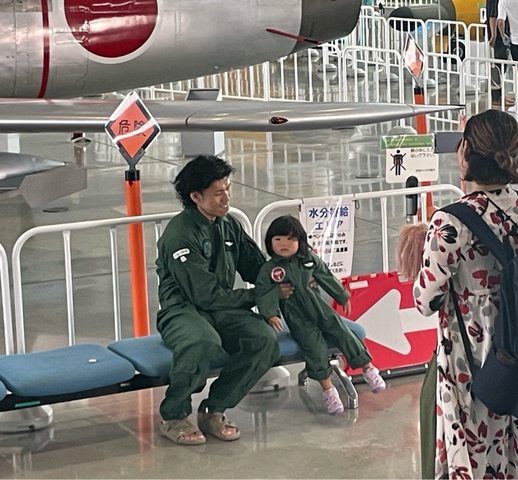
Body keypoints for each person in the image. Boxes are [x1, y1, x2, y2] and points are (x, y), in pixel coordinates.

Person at [413, 110, 518, 478]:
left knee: (476, 439)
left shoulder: (448, 222)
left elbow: (426, 300)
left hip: (471, 353)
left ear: (466, 153)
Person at [155, 155, 292, 445]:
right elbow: (204, 295)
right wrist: (258, 296)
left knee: (263, 339)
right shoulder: (180, 235)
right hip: (183, 310)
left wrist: (291, 269)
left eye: (228, 189)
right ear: (195, 197)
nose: (227, 198)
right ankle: (174, 415)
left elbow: (257, 268)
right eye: (218, 192)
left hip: (222, 307)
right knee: (201, 342)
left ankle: (214, 409)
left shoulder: (228, 225)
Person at [254, 215, 386, 415]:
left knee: (343, 331)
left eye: (290, 239)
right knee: (313, 347)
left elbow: (325, 275)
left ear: (300, 241)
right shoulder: (270, 269)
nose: (284, 244)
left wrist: (342, 295)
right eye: (278, 239)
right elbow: (263, 292)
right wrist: (271, 314)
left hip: (321, 309)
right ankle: (329, 390)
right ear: (269, 242)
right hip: (297, 317)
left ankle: (368, 368)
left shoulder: (309, 259)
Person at [487, 0, 515, 108]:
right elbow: (493, 15)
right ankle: (496, 98)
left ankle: (500, 95)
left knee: (501, 67)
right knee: (498, 68)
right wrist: (494, 35)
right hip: (499, 38)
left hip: (501, 36)